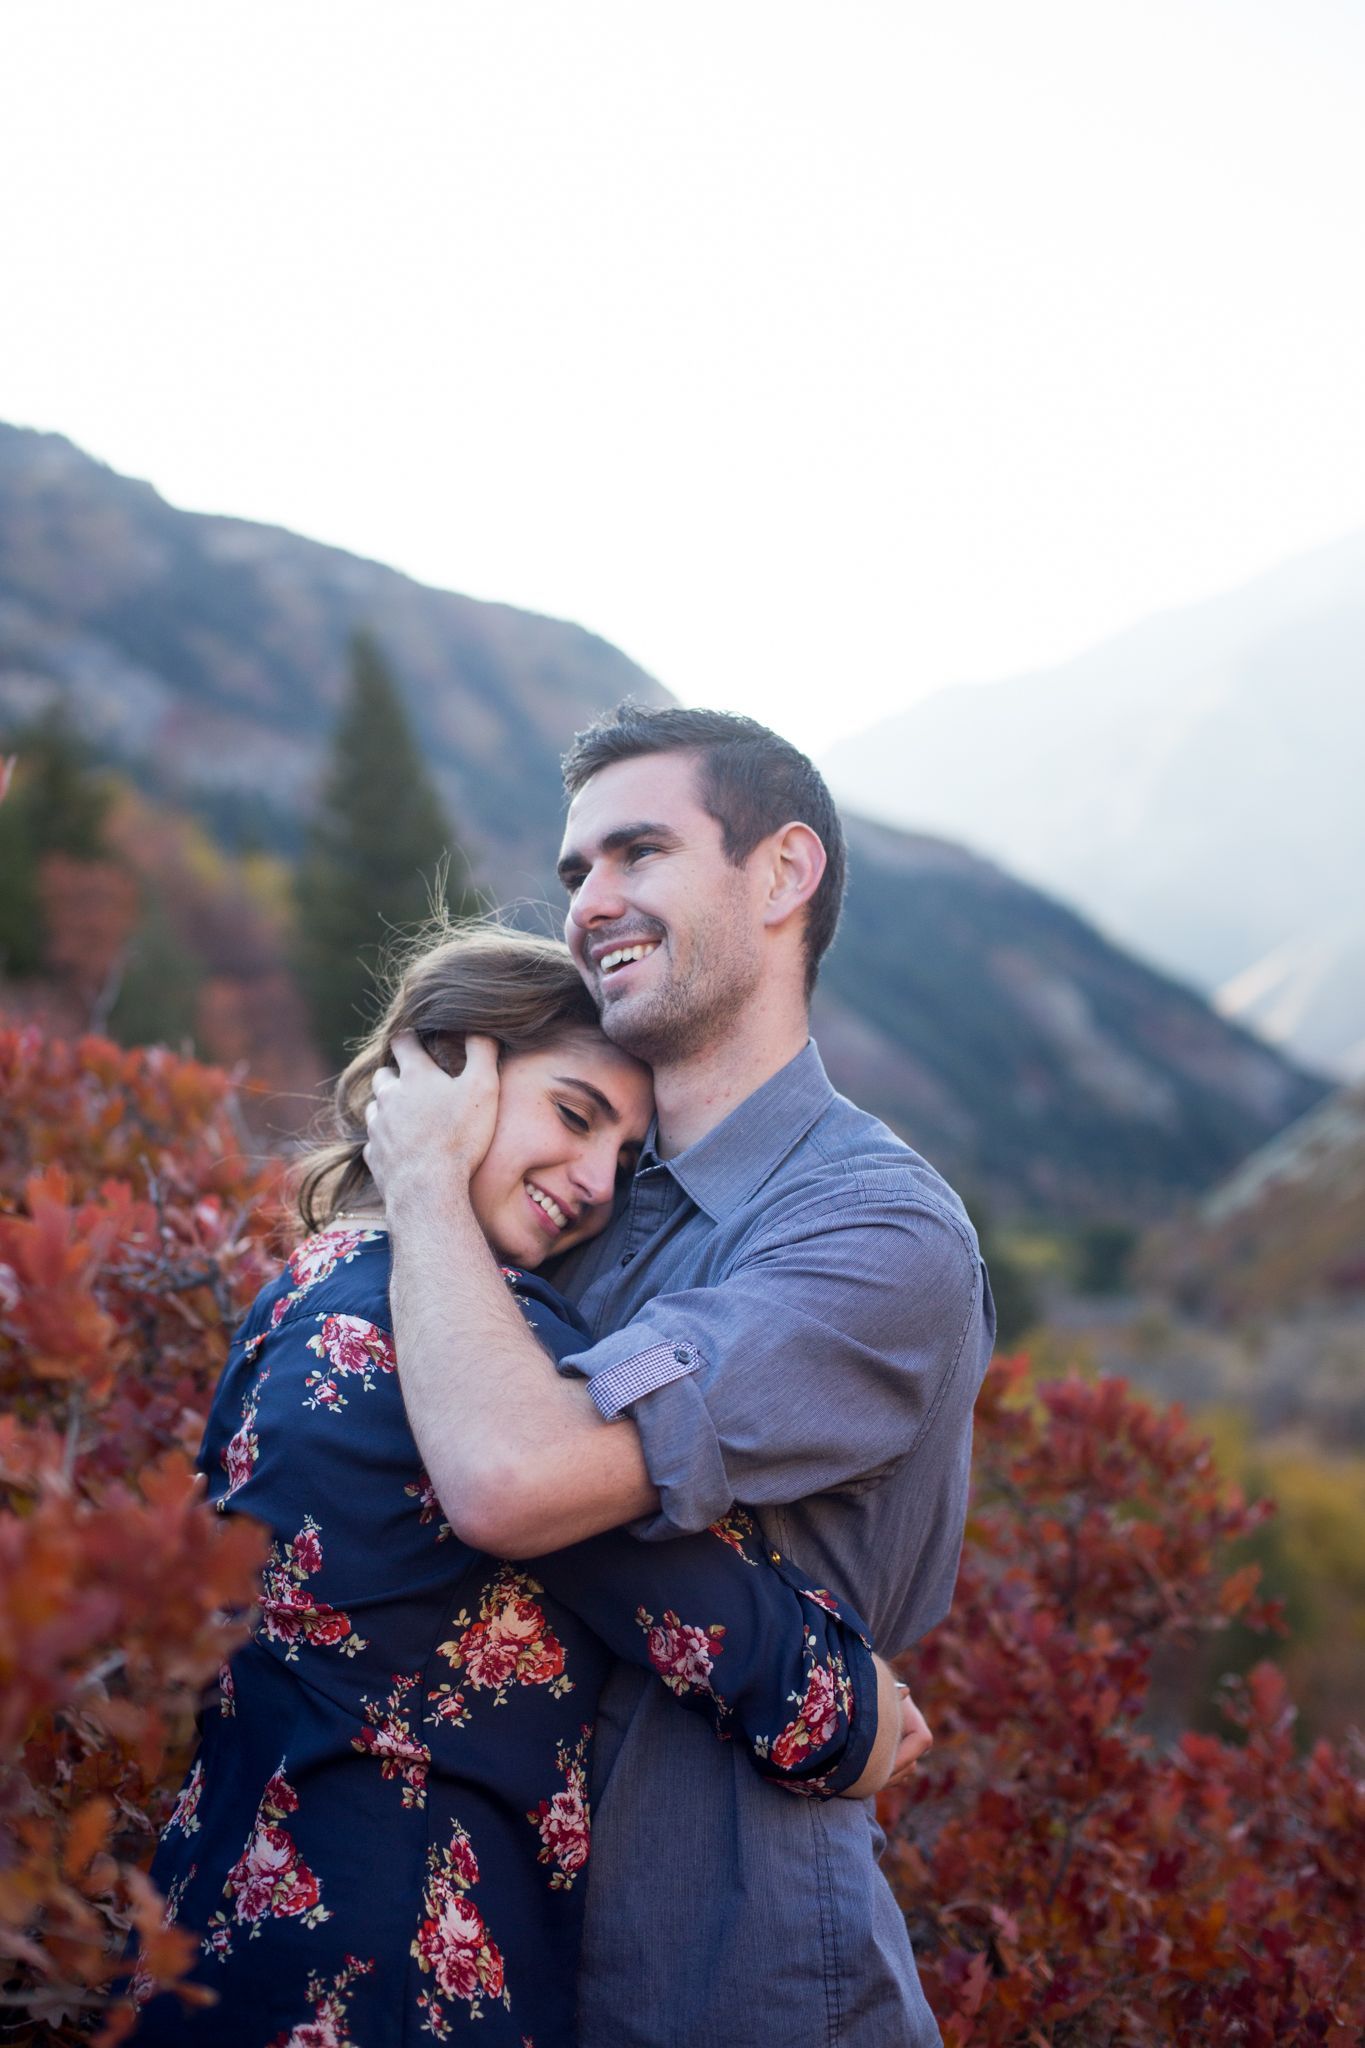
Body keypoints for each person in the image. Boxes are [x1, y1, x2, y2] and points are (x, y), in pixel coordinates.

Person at [131, 926, 915, 2048]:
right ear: (445, 1075)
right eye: (575, 1114)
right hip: (394, 1963)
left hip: (216, 1935)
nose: (596, 1183)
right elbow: (671, 1578)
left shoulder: (298, 1290)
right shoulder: (475, 1351)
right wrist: (849, 1710)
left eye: (625, 1156)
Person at [365, 706, 995, 2048]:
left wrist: (419, 1190)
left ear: (781, 875)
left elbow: (514, 1476)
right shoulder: (575, 1190)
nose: (590, 904)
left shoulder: (876, 1234)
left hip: (734, 1971)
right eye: (576, 870)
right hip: (487, 1960)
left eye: (637, 852)